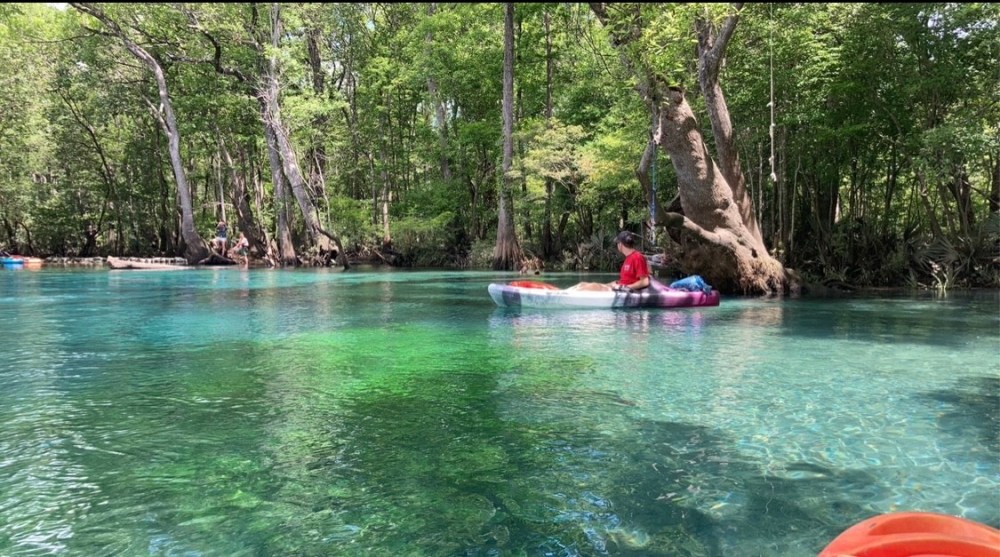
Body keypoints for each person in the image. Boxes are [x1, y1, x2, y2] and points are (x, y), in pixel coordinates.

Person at [570, 231, 651, 292]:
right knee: (582, 284)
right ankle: (563, 292)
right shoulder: (629, 258)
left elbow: (645, 281)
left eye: (617, 243)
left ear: (620, 244)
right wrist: (612, 284)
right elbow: (626, 279)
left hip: (622, 290)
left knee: (591, 286)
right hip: (618, 286)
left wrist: (626, 287)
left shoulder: (637, 257)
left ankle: (564, 294)